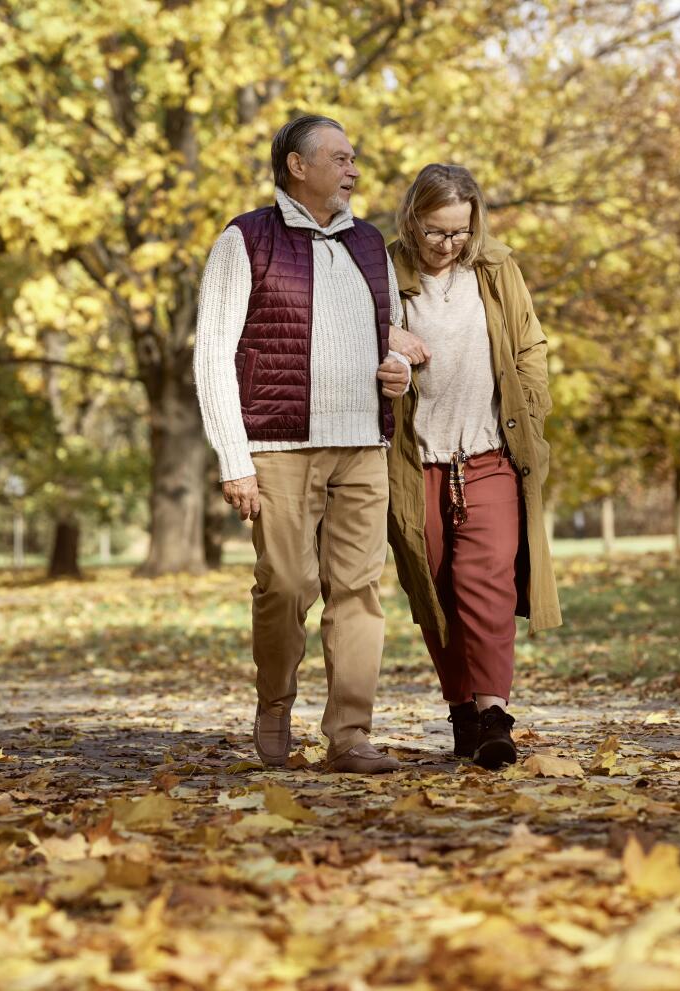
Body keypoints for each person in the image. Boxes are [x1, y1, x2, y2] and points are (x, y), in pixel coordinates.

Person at [194, 114, 413, 774]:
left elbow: (394, 338)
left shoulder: (371, 244)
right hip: (278, 447)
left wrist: (399, 374)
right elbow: (212, 353)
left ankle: (350, 733)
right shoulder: (247, 239)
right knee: (286, 584)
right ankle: (274, 700)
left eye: (354, 159)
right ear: (298, 165)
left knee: (359, 590)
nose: (353, 170)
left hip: (363, 446)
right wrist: (234, 458)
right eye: (341, 158)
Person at [384, 164, 563, 769]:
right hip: (415, 463)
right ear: (412, 219)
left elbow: (530, 345)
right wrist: (386, 344)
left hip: (488, 452)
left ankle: (493, 717)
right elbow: (351, 339)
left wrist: (531, 410)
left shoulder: (495, 269)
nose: (448, 245)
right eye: (436, 232)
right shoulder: (383, 271)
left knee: (486, 585)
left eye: (460, 232)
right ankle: (461, 709)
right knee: (435, 591)